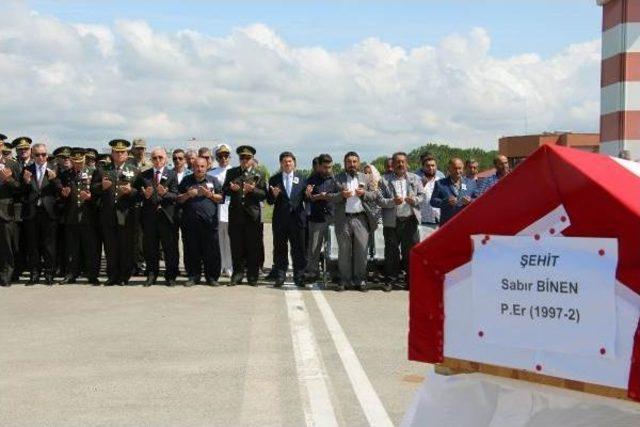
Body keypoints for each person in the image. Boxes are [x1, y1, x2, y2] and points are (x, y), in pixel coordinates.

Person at [327, 151, 379, 292]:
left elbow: (375, 194)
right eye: (349, 162)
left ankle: (360, 280)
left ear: (359, 163)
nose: (352, 164)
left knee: (362, 250)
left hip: (361, 218)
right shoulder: (336, 178)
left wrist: (365, 194)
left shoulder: (366, 178)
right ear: (345, 163)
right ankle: (344, 280)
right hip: (343, 218)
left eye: (355, 161)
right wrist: (341, 195)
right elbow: (329, 197)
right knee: (344, 251)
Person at [91, 139, 139, 286]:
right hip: (108, 214)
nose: (119, 155)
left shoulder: (135, 170)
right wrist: (101, 187)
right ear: (111, 153)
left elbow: (141, 193)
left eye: (122, 152)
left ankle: (124, 276)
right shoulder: (102, 169)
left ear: (127, 154)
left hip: (126, 214)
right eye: (116, 152)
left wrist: (131, 191)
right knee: (111, 247)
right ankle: (112, 275)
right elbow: (93, 189)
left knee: (126, 247)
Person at [378, 152, 425, 291]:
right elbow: (379, 200)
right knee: (391, 252)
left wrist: (414, 200)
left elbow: (422, 195)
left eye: (403, 161)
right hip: (392, 221)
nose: (400, 164)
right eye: (397, 162)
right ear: (392, 164)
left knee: (410, 252)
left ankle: (411, 281)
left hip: (410, 220)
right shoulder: (384, 179)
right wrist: (392, 201)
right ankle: (390, 281)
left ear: (407, 163)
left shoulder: (415, 178)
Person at [134, 147, 180, 286]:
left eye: (160, 157)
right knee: (150, 248)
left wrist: (165, 194)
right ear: (151, 159)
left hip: (167, 217)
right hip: (150, 217)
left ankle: (170, 276)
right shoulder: (144, 175)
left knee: (170, 248)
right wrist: (144, 195)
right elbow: (136, 193)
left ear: (165, 159)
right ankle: (151, 275)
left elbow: (176, 195)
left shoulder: (172, 174)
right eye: (154, 158)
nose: (158, 160)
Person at [223, 145, 267, 286]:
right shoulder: (232, 172)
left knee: (253, 247)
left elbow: (264, 194)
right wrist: (231, 188)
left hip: (252, 216)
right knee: (237, 247)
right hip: (236, 215)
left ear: (252, 159)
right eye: (242, 157)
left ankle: (252, 276)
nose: (245, 160)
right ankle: (237, 274)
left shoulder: (258, 173)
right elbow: (224, 190)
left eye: (247, 158)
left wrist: (253, 190)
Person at [178, 156, 223, 286]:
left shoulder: (213, 180)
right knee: (192, 250)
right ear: (192, 167)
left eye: (202, 166)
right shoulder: (186, 181)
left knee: (212, 251)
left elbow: (221, 198)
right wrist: (187, 195)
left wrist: (210, 195)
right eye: (197, 166)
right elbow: (178, 199)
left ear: (207, 167)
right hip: (190, 223)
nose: (199, 169)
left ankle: (212, 277)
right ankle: (193, 276)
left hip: (209, 222)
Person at [57, 148, 99, 285]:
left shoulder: (93, 172)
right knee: (72, 248)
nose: (77, 164)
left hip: (89, 216)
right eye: (75, 161)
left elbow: (99, 196)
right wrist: (63, 194)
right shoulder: (65, 174)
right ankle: (71, 274)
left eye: (80, 161)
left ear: (84, 160)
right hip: (72, 216)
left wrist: (91, 197)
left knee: (90, 248)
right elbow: (60, 197)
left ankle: (92, 275)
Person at [266, 151, 307, 287]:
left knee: (298, 249)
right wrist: (274, 195)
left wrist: (308, 194)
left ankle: (299, 276)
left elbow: (306, 199)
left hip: (297, 220)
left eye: (290, 161)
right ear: (281, 164)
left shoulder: (302, 178)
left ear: (294, 163)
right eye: (284, 162)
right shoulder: (274, 179)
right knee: (280, 249)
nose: (287, 164)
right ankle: (280, 276)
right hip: (280, 220)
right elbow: (269, 201)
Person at [22, 143, 60, 285]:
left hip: (48, 212)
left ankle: (49, 274)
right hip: (32, 212)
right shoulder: (27, 169)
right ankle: (34, 274)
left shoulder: (54, 169)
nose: (41, 157)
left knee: (49, 245)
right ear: (32, 155)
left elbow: (61, 191)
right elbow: (21, 192)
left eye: (44, 154)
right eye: (37, 154)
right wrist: (25, 182)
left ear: (47, 155)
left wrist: (54, 180)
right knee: (33, 245)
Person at [303, 153, 335, 283]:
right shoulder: (311, 179)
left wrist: (328, 196)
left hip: (332, 217)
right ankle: (312, 272)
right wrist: (312, 196)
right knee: (314, 247)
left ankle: (333, 273)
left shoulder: (335, 179)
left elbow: (340, 195)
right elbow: (306, 198)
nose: (327, 169)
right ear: (319, 166)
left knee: (333, 247)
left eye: (329, 167)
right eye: (325, 167)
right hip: (316, 218)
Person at [0, 135, 23, 286]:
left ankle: (6, 276)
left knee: (6, 246)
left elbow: (19, 189)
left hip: (5, 211)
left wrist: (8, 179)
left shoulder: (12, 164)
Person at [208, 144, 233, 278]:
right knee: (217, 240)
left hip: (230, 209)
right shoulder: (211, 173)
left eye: (226, 156)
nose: (223, 159)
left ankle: (229, 266)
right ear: (216, 158)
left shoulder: (234, 171)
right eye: (220, 156)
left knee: (229, 239)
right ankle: (220, 265)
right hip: (215, 209)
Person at [430, 158, 477, 225]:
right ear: (449, 169)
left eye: (459, 168)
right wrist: (446, 201)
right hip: (447, 224)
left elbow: (478, 199)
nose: (457, 171)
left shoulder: (471, 183)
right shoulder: (440, 183)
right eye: (455, 168)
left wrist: (470, 201)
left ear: (463, 169)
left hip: (466, 223)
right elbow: (433, 201)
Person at [129, 138, 151, 276]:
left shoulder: (149, 164)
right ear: (133, 149)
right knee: (133, 235)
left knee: (146, 236)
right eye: (137, 148)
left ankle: (145, 263)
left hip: (147, 204)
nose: (140, 151)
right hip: (132, 204)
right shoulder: (128, 164)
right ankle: (134, 263)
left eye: (142, 148)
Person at [419, 154, 442, 234]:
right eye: (428, 166)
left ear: (436, 167)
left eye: (433, 165)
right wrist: (422, 186)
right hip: (423, 223)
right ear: (423, 167)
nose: (430, 168)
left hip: (440, 222)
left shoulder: (441, 181)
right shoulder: (417, 182)